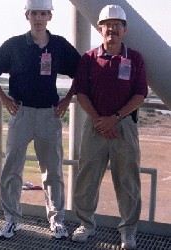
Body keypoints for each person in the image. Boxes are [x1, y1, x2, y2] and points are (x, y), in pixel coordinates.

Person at [0, 0, 80, 240]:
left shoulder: (59, 45)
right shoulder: (15, 45)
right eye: (34, 13)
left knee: (53, 172)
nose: (38, 18)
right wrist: (4, 98)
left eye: (43, 13)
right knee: (11, 170)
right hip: (21, 113)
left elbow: (81, 72)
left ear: (50, 16)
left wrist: (67, 99)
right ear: (27, 15)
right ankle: (11, 220)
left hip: (49, 114)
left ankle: (57, 221)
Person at [71, 5, 148, 249]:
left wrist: (114, 118)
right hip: (95, 125)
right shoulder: (89, 58)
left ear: (124, 30)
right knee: (87, 177)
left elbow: (140, 94)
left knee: (128, 180)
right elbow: (81, 92)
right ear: (100, 28)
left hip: (123, 126)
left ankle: (128, 231)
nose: (112, 30)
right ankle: (86, 224)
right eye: (107, 25)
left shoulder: (134, 58)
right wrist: (99, 121)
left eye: (117, 25)